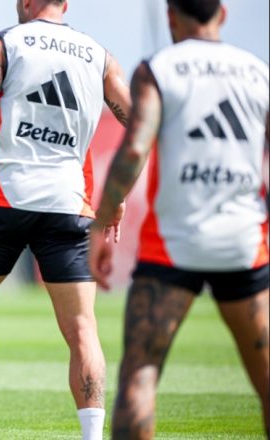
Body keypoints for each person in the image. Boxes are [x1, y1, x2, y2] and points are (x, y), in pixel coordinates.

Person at [0, 1, 132, 438]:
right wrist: (115, 201)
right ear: (67, 3)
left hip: (7, 197)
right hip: (69, 203)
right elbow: (139, 126)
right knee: (82, 328)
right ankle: (93, 435)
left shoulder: (6, 41)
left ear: (24, 3)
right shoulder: (100, 55)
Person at [89, 0, 269, 437]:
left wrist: (101, 222)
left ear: (170, 16)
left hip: (173, 244)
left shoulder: (159, 68)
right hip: (244, 242)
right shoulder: (258, 71)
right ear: (222, 14)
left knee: (140, 374)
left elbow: (134, 149)